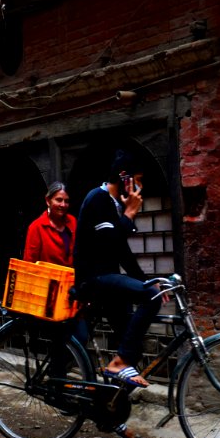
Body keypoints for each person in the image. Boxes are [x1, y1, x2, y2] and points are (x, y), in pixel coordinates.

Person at [73, 149, 161, 389]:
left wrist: (146, 281)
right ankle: (117, 364)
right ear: (125, 178)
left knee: (133, 351)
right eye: (138, 182)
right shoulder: (97, 198)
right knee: (152, 298)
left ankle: (113, 412)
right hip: (94, 279)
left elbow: (122, 252)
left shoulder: (112, 204)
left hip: (108, 280)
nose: (139, 190)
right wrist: (130, 214)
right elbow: (108, 243)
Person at [24, 181, 77, 266]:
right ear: (48, 201)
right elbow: (29, 263)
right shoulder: (36, 227)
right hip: (47, 277)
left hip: (70, 277)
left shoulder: (72, 221)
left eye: (66, 201)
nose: (63, 205)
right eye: (59, 200)